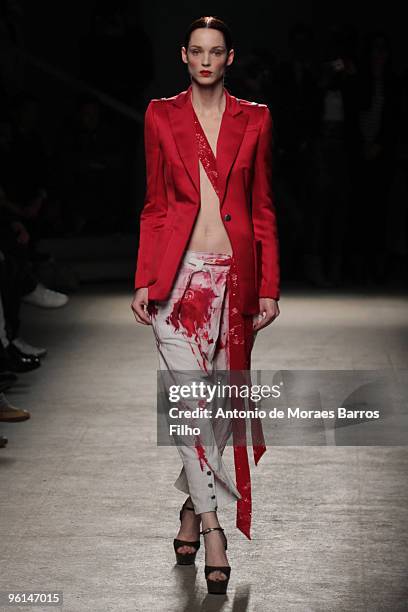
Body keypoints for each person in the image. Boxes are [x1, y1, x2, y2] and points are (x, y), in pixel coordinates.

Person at [131, 16, 280, 594]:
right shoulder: (160, 115)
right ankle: (214, 526)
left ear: (230, 58)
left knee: (217, 408)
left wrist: (268, 286)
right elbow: (153, 204)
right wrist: (145, 277)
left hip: (235, 282)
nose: (206, 61)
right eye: (197, 51)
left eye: (216, 52)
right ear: (184, 56)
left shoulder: (257, 119)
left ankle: (191, 510)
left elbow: (262, 207)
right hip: (179, 284)